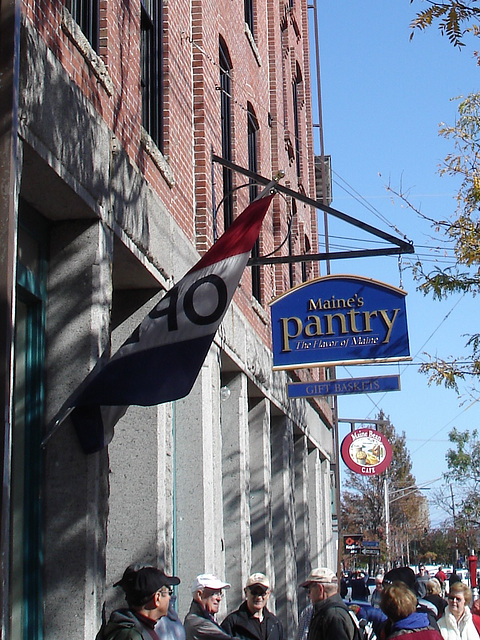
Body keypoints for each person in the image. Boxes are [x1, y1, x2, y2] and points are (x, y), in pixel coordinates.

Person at [99, 564, 180, 640]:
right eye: (169, 593)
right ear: (157, 598)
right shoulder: (131, 635)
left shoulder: (142, 629)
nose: (170, 598)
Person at [221, 572, 283, 640]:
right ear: (246, 592)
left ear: (268, 594)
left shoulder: (275, 624)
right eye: (254, 592)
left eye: (262, 593)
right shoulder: (232, 623)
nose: (258, 597)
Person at [301, 567, 357, 640]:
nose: (309, 595)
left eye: (309, 590)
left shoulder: (334, 616)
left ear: (320, 589)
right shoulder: (331, 612)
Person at [184, 573, 232, 640]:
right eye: (215, 593)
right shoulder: (198, 623)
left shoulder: (206, 618)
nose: (219, 598)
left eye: (220, 594)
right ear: (199, 595)